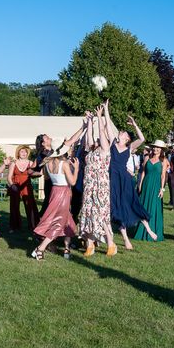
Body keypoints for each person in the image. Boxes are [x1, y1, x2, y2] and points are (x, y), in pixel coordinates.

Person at [103, 100, 158, 248]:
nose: (121, 133)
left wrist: (134, 125)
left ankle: (148, 228)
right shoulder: (113, 144)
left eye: (124, 133)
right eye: (121, 132)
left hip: (125, 180)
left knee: (132, 204)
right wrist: (106, 109)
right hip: (113, 180)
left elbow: (142, 139)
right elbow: (108, 125)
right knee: (117, 208)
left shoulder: (129, 148)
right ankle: (126, 239)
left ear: (127, 138)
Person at [31, 141, 80, 260]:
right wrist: (77, 169)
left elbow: (47, 177)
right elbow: (73, 182)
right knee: (58, 223)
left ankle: (66, 249)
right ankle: (40, 248)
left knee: (67, 221)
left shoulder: (47, 163)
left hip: (54, 191)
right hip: (63, 193)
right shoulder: (64, 164)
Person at [80, 105, 116, 257]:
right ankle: (90, 245)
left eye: (99, 140)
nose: (96, 140)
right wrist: (89, 121)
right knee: (87, 213)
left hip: (100, 185)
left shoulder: (105, 150)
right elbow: (90, 136)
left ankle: (111, 244)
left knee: (101, 214)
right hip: (89, 185)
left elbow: (101, 133)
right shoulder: (91, 151)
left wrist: (100, 117)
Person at [134, 140, 169, 242]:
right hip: (146, 184)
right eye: (154, 147)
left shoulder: (164, 161)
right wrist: (140, 184)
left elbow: (163, 176)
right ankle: (142, 231)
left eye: (158, 148)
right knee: (143, 206)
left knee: (154, 207)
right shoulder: (147, 158)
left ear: (161, 150)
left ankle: (153, 231)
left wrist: (162, 189)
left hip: (156, 186)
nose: (156, 149)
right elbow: (143, 172)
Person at [8, 144, 39, 233]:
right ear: (18, 153)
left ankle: (33, 226)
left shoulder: (30, 163)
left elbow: (34, 174)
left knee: (30, 205)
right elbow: (9, 177)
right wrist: (12, 185)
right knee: (14, 206)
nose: (24, 153)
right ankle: (14, 227)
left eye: (25, 152)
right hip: (15, 185)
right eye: (22, 151)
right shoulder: (13, 163)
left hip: (26, 186)